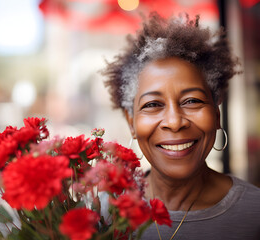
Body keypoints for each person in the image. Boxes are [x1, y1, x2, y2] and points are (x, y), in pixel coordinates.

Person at [102, 12, 260, 240]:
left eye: (192, 101)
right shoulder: (103, 213)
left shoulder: (254, 214)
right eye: (153, 104)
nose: (175, 122)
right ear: (131, 122)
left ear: (216, 115)